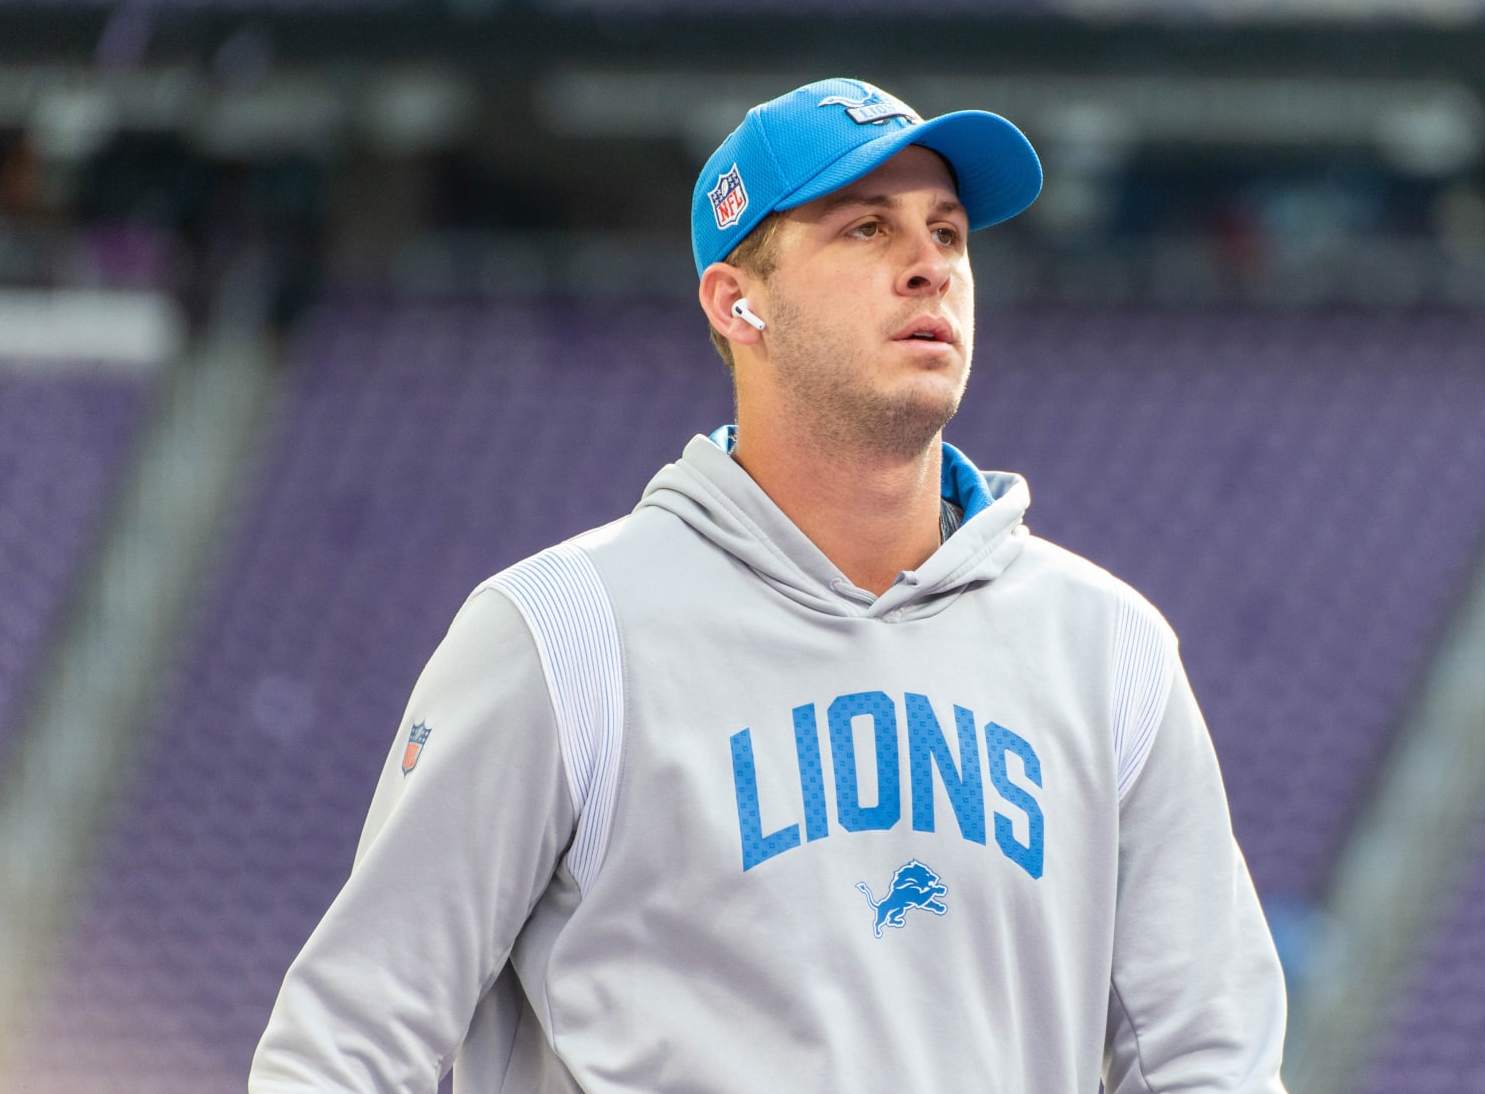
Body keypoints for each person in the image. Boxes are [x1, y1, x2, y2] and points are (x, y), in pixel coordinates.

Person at [250, 76, 1289, 1093]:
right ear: (737, 301)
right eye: (865, 231)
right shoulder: (563, 632)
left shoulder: (1107, 648)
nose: (929, 266)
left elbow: (1210, 1058)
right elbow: (345, 1044)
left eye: (948, 232)